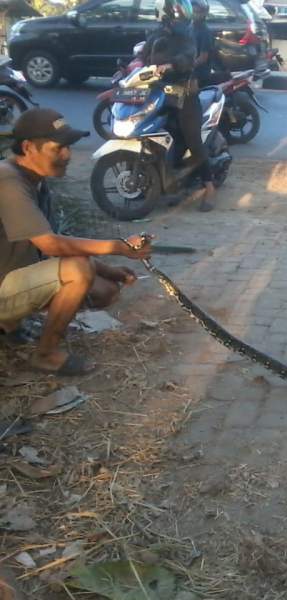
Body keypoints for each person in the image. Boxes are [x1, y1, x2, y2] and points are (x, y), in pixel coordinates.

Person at [0, 108, 152, 375]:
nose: (68, 155)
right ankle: (45, 355)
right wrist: (118, 246)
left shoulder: (33, 179)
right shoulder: (8, 180)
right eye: (59, 148)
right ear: (28, 147)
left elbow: (56, 245)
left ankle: (11, 326)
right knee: (78, 270)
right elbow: (51, 245)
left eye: (69, 147)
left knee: (106, 289)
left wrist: (110, 270)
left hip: (10, 277)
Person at [143, 0, 215, 211]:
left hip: (184, 92)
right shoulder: (157, 32)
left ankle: (209, 187)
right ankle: (166, 184)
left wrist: (172, 64)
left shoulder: (186, 32)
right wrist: (135, 64)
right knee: (153, 135)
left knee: (192, 138)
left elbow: (189, 55)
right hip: (158, 91)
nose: (178, 13)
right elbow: (144, 54)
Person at [192, 0, 225, 87]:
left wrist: (188, 66)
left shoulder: (205, 31)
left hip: (199, 73)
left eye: (197, 12)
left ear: (204, 13)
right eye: (193, 11)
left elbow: (203, 58)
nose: (194, 14)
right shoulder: (190, 27)